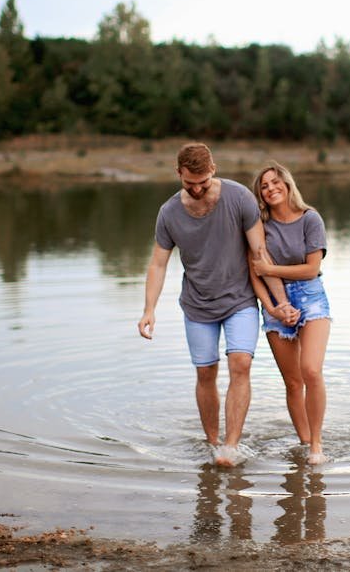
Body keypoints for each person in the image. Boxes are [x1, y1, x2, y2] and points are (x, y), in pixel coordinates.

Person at [138, 143, 298, 468]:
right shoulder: (169, 213)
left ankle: (231, 447)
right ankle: (212, 443)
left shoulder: (239, 198)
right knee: (205, 372)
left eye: (202, 182)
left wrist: (279, 303)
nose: (196, 189)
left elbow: (260, 255)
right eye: (189, 183)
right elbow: (158, 264)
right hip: (197, 305)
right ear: (178, 174)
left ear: (213, 170)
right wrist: (149, 309)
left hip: (239, 299)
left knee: (241, 364)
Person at [249, 162, 332, 465]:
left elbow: (312, 268)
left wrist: (271, 268)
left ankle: (317, 446)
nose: (270, 189)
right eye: (264, 186)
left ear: (287, 184)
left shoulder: (310, 219)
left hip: (311, 296)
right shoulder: (259, 226)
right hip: (274, 302)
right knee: (293, 382)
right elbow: (253, 273)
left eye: (275, 182)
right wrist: (272, 307)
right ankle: (305, 441)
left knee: (311, 370)